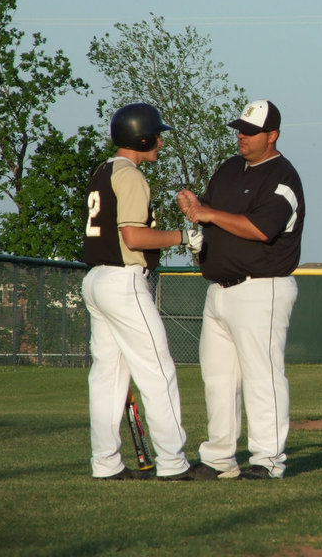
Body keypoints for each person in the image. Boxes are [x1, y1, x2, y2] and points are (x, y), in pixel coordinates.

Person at [176, 99, 305, 480]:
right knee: (218, 380)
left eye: (250, 132)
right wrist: (196, 207)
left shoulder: (282, 177)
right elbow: (209, 214)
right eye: (240, 130)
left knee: (262, 376)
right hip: (219, 290)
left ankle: (267, 460)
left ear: (273, 135)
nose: (242, 137)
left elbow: (261, 229)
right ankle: (219, 459)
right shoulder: (230, 168)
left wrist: (207, 213)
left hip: (261, 289)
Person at [82, 102, 202, 480]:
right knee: (157, 370)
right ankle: (172, 463)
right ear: (142, 136)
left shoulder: (104, 170)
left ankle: (105, 464)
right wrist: (185, 236)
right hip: (123, 282)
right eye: (157, 135)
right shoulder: (131, 175)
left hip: (96, 281)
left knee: (107, 375)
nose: (160, 143)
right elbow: (134, 236)